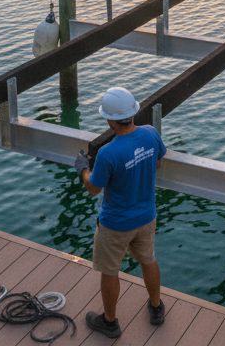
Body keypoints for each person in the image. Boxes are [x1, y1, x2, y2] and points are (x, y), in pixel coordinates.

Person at [74, 87, 167, 339]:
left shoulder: (107, 153)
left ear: (111, 120)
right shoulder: (150, 134)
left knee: (110, 270)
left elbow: (93, 188)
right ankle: (156, 308)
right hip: (147, 216)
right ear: (133, 112)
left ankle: (110, 322)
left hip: (115, 224)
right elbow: (158, 162)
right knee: (148, 259)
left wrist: (83, 168)